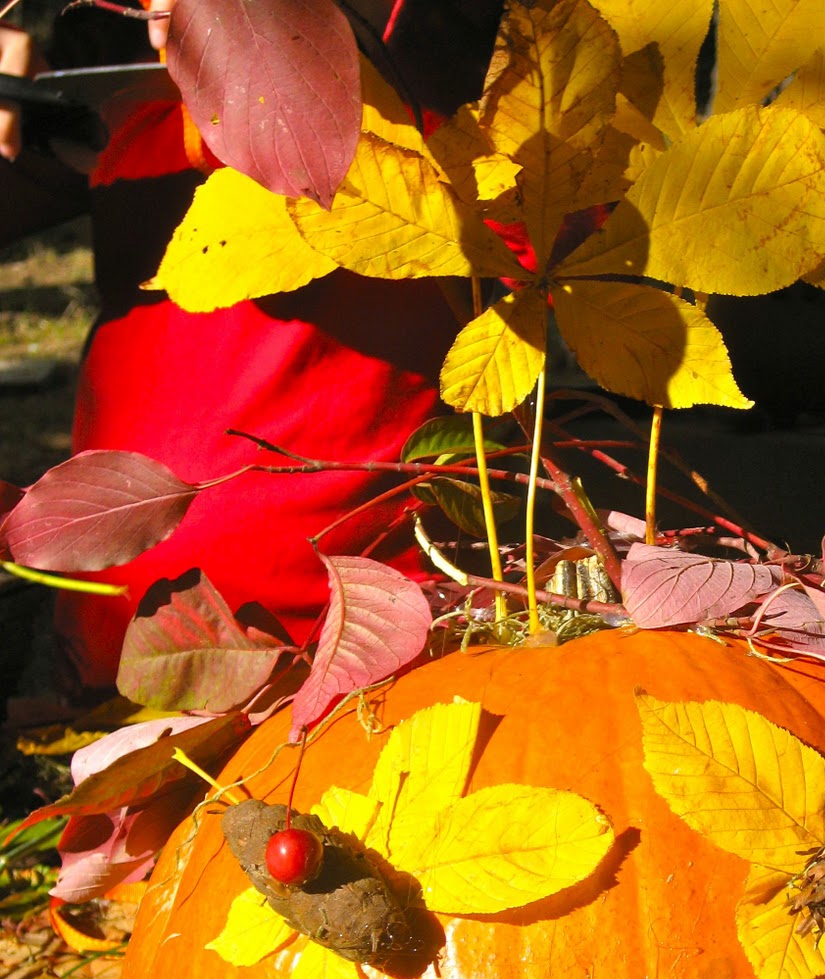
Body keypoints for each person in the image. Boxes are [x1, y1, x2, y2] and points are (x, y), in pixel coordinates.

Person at [0, 0, 503, 695]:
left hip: (359, 662)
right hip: (111, 662)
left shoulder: (443, 60)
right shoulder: (125, 65)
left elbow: (557, 234)